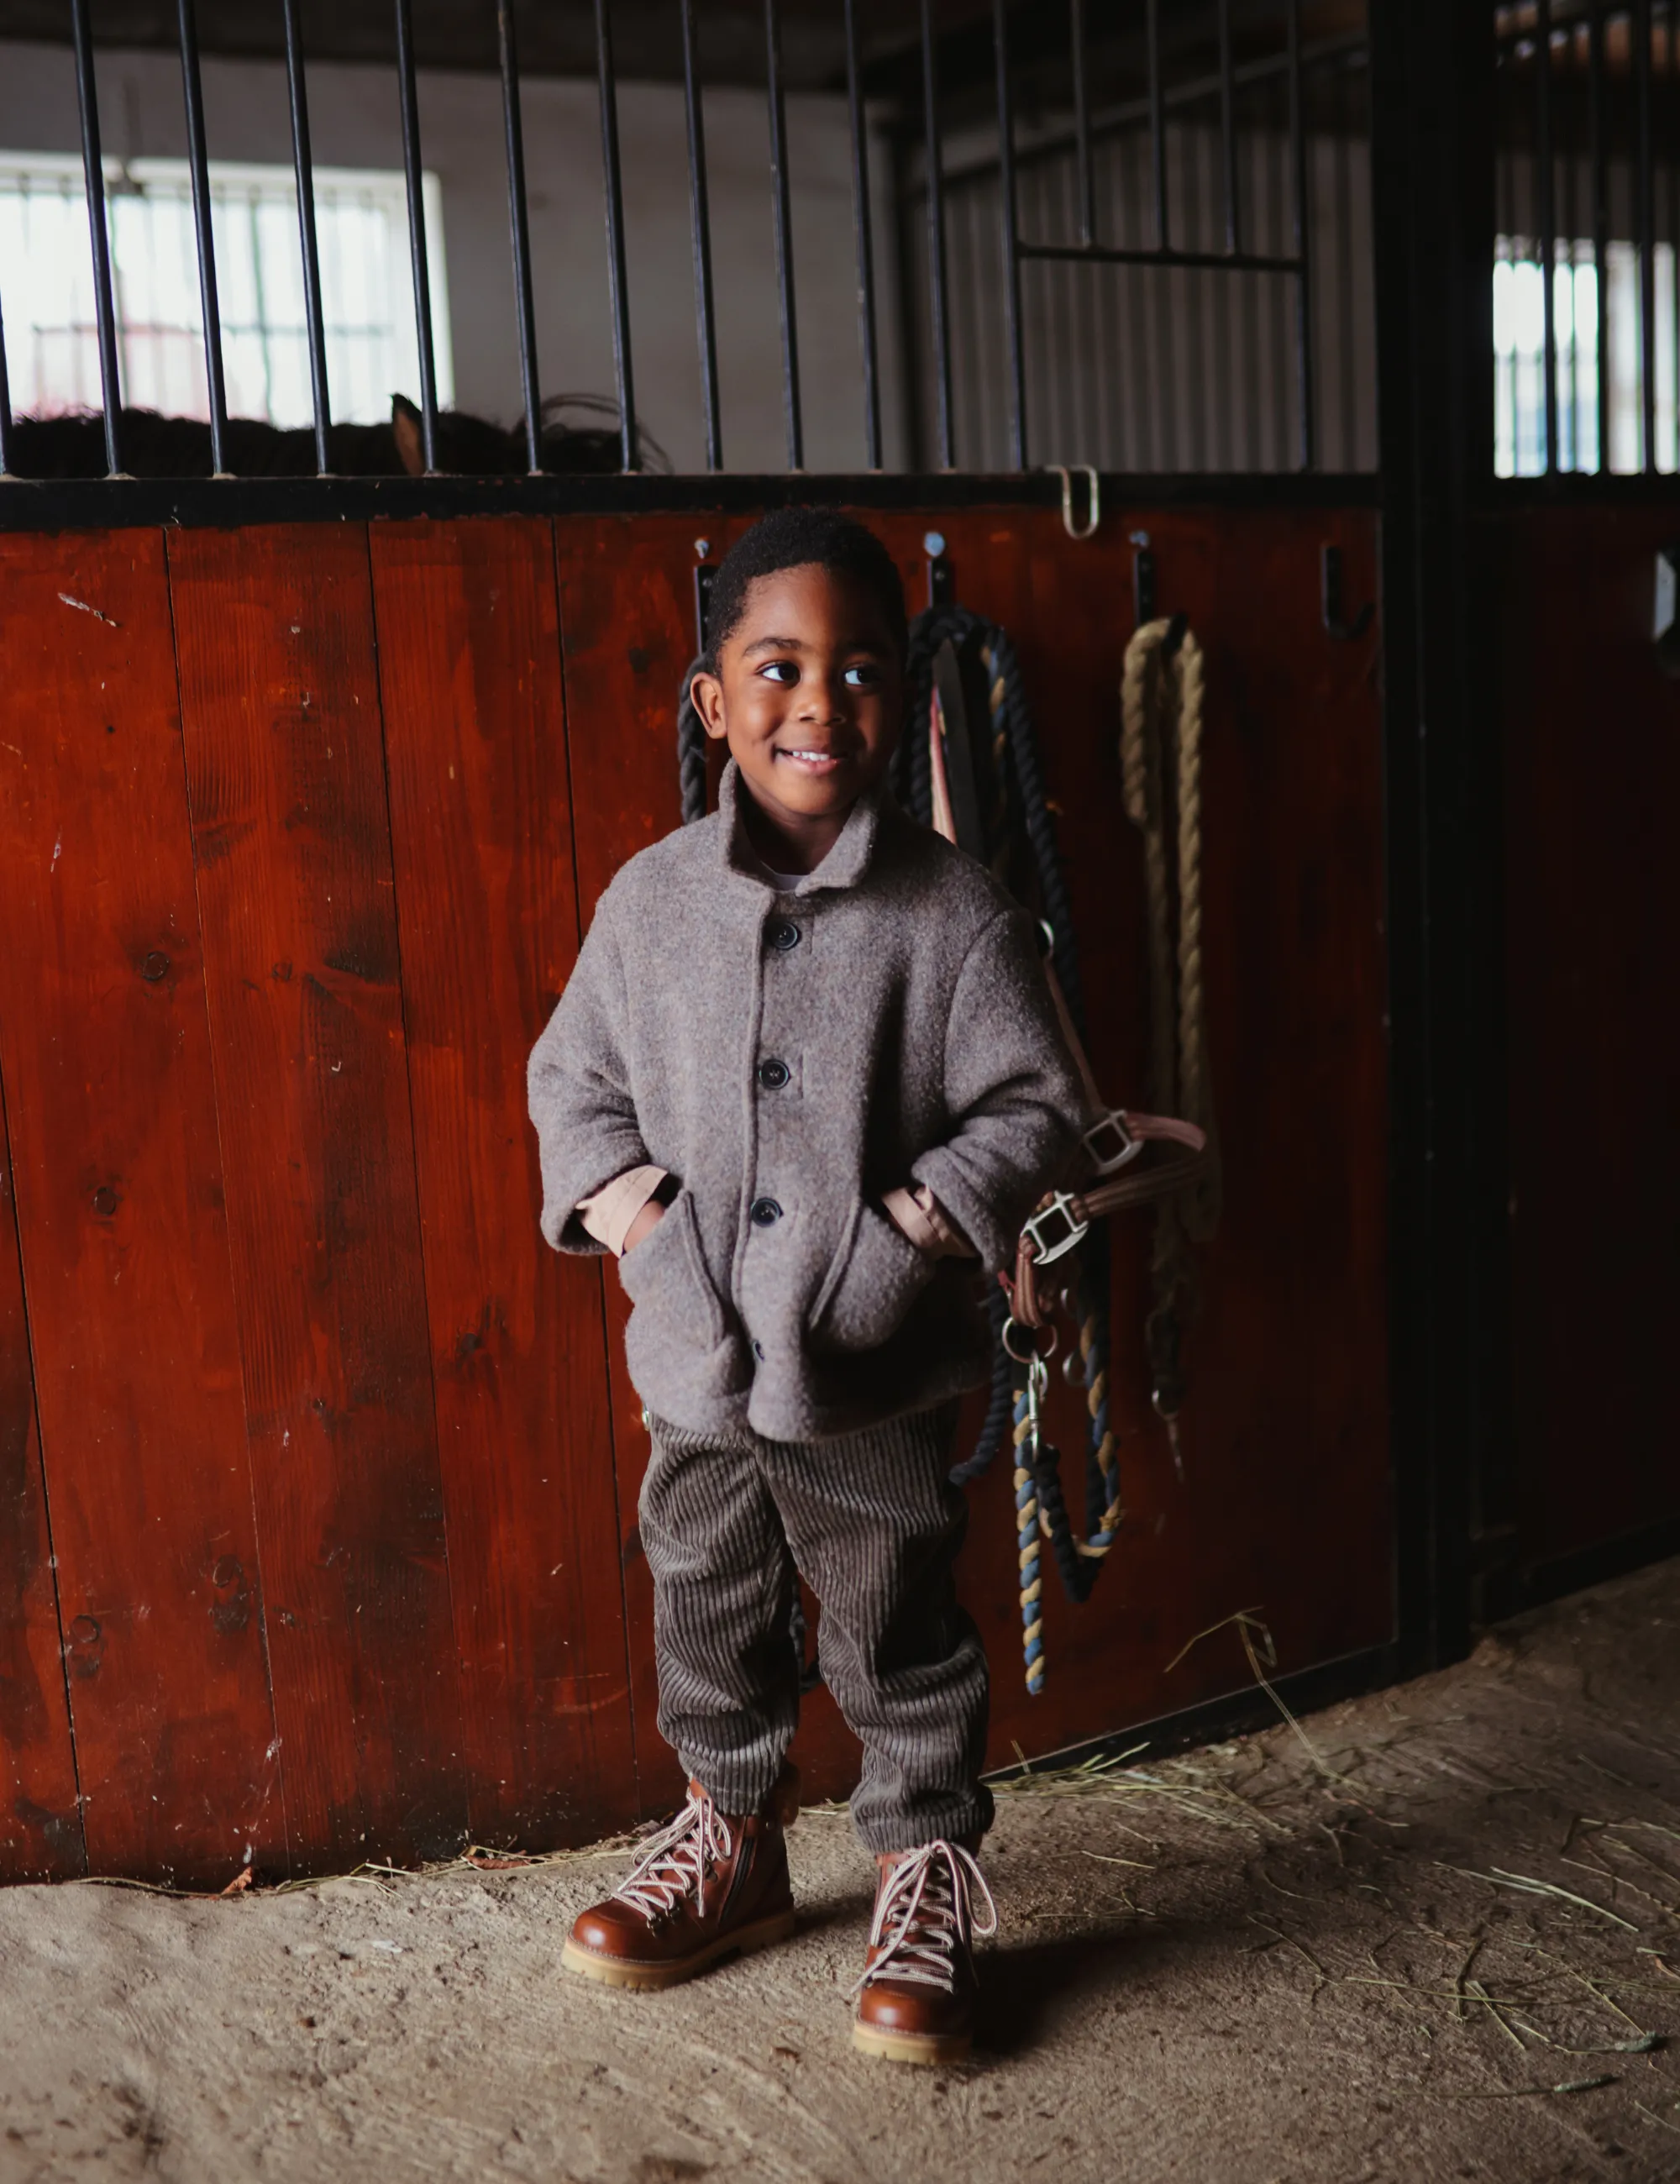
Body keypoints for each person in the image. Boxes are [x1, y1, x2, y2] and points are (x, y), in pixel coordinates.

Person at [527, 507, 1084, 2064]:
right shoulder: (647, 906)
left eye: (858, 674)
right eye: (777, 668)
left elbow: (1034, 1108)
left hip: (871, 1364)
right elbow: (569, 1082)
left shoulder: (956, 915)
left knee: (897, 1611)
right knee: (700, 1585)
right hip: (699, 1358)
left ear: (899, 703)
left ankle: (924, 1873)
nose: (817, 705)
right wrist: (642, 1222)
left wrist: (916, 1222)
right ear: (715, 701)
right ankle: (734, 1834)